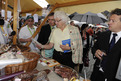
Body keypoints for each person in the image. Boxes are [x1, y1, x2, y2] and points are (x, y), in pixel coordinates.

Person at [90, 8, 121, 81]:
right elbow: (94, 48)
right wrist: (95, 52)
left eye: (113, 21)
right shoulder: (103, 35)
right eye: (109, 20)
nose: (109, 23)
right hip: (97, 75)